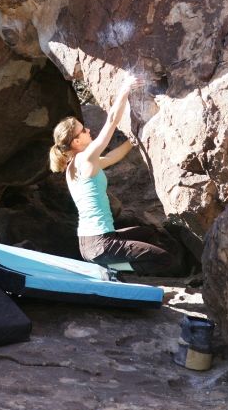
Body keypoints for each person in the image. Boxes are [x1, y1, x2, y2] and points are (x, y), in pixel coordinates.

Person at [49, 75, 185, 276]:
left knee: (147, 233)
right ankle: (113, 269)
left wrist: (135, 138)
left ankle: (111, 265)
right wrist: (125, 88)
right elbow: (111, 121)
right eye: (83, 131)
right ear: (76, 142)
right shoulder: (85, 158)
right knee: (164, 260)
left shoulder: (78, 165)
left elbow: (114, 156)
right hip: (100, 244)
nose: (87, 130)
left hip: (91, 242)